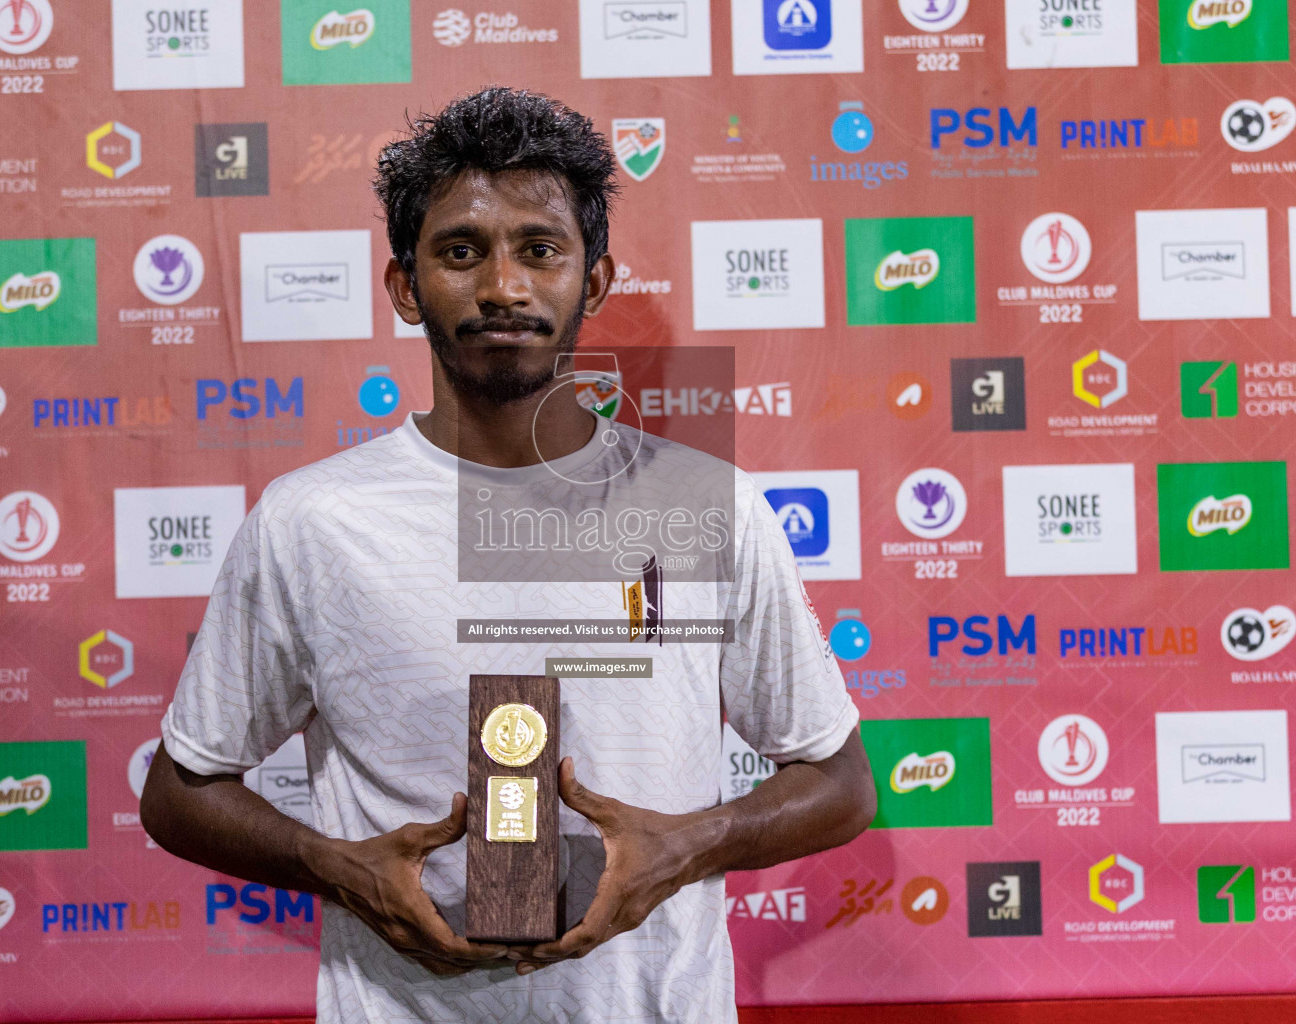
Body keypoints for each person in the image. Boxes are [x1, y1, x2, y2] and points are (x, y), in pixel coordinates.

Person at [140, 86, 877, 1024]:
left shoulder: (708, 508)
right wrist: (334, 866)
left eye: (540, 249)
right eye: (461, 251)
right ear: (406, 286)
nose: (503, 286)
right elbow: (178, 792)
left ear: (594, 281)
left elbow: (841, 783)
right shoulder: (312, 522)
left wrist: (691, 845)